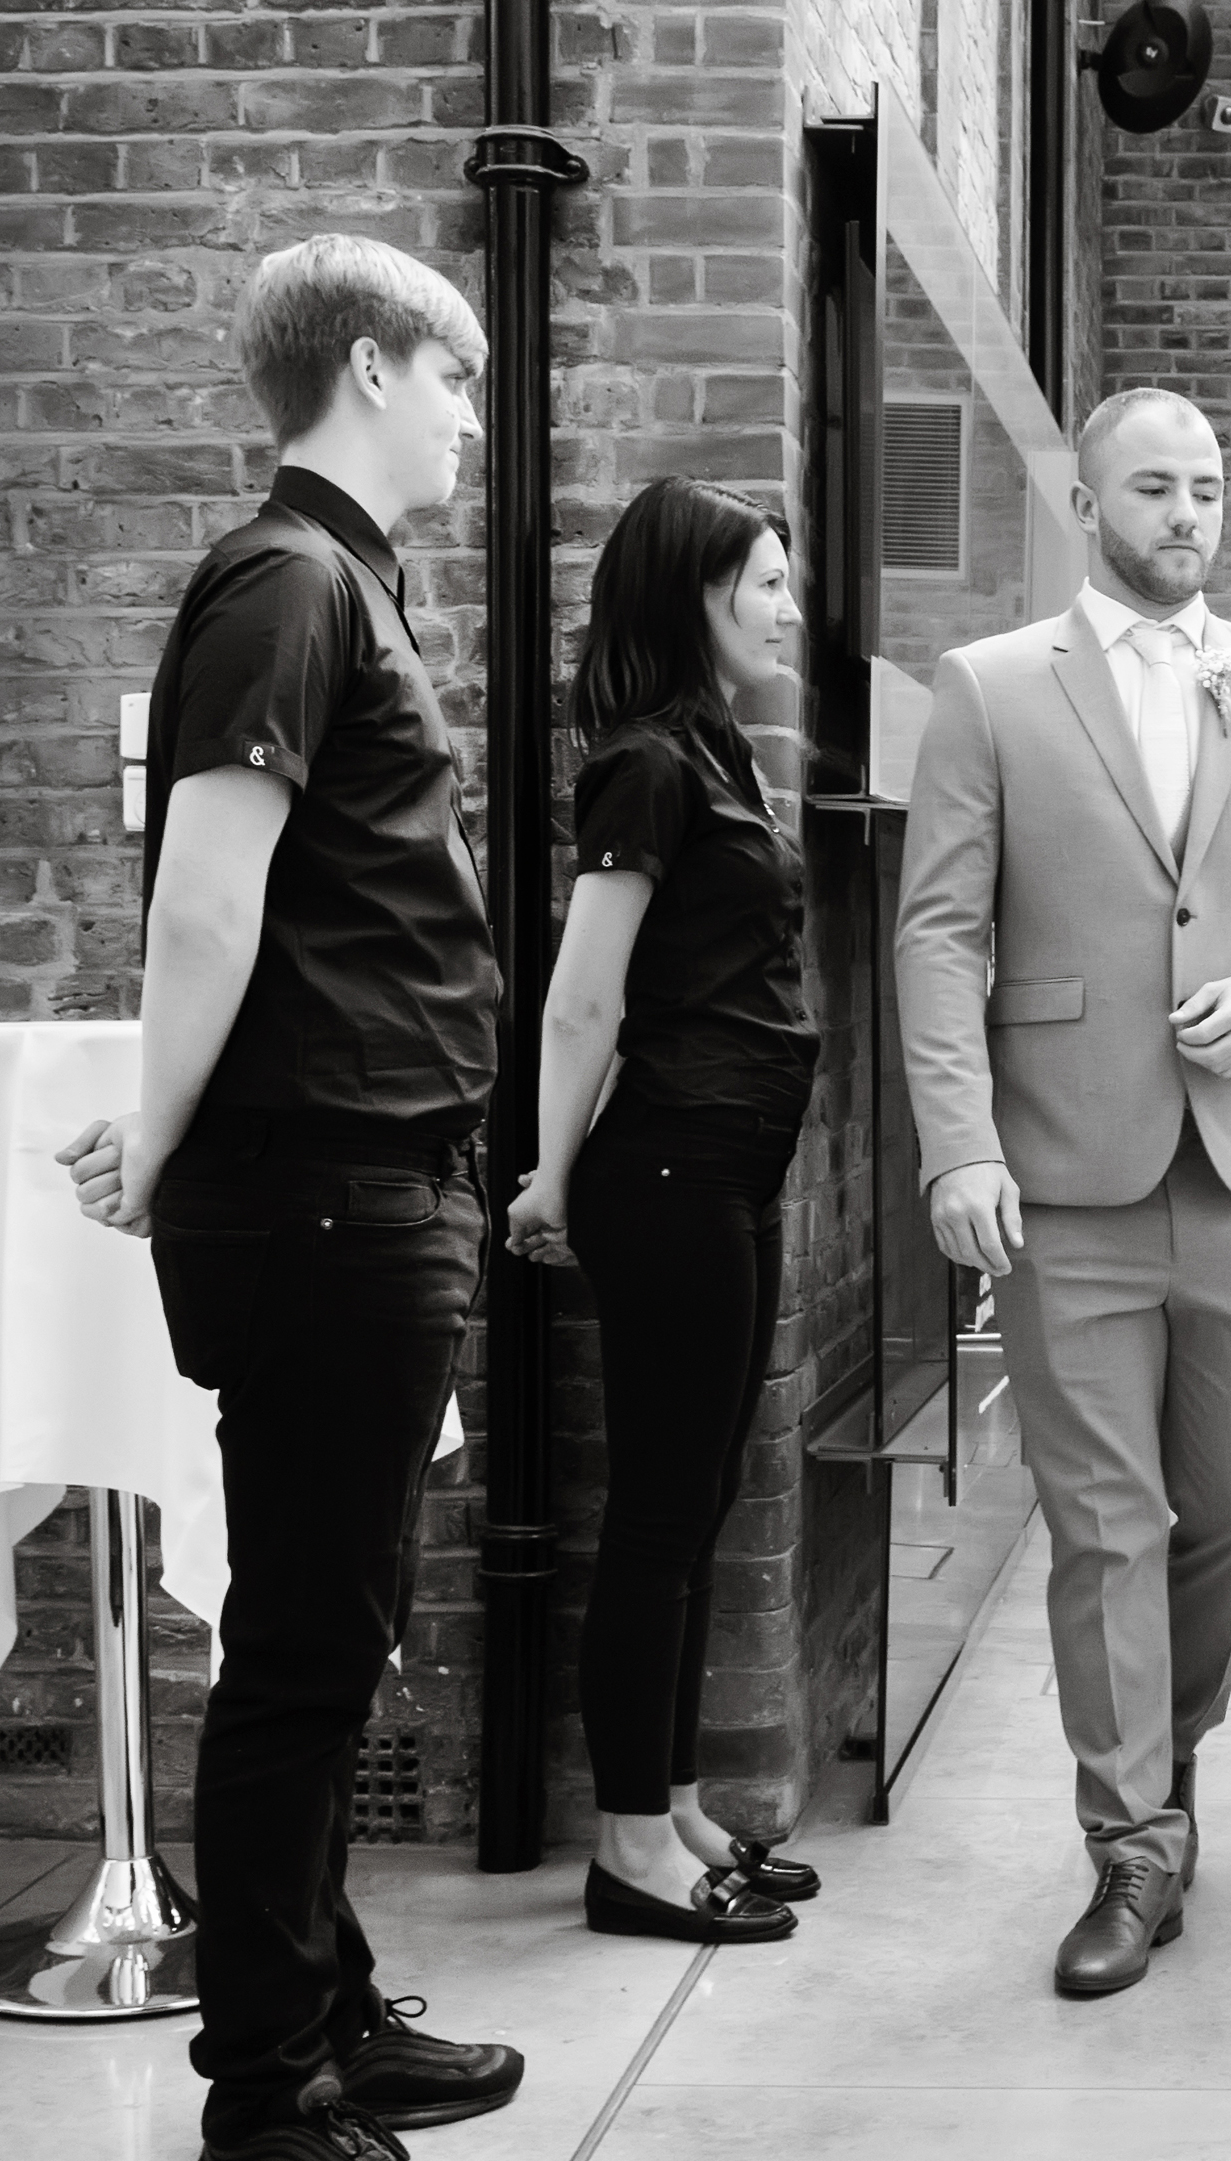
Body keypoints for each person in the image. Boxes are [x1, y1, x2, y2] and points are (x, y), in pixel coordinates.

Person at [56, 236, 521, 2161]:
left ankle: (320, 2004)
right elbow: (205, 900)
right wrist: (152, 1142)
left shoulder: (335, 585)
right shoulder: (284, 584)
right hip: (325, 1189)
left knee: (338, 1631)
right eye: (455, 380)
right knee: (307, 1655)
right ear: (366, 367)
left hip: (372, 1177)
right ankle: (263, 2111)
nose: (471, 420)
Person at [895, 386, 1231, 1997]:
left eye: (1204, 489)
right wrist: (961, 1144)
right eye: (1153, 488)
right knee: (1105, 1523)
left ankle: (1163, 1757)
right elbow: (937, 935)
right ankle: (1130, 1843)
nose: (1187, 515)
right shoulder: (988, 691)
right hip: (1067, 1174)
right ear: (1085, 501)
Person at [500, 478, 822, 1944]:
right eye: (764, 581)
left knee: (694, 1504)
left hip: (728, 1167)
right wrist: (553, 1172)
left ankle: (679, 1804)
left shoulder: (713, 752)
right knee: (655, 1515)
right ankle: (630, 1846)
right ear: (695, 594)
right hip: (671, 1167)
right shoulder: (642, 766)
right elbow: (584, 995)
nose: (785, 607)